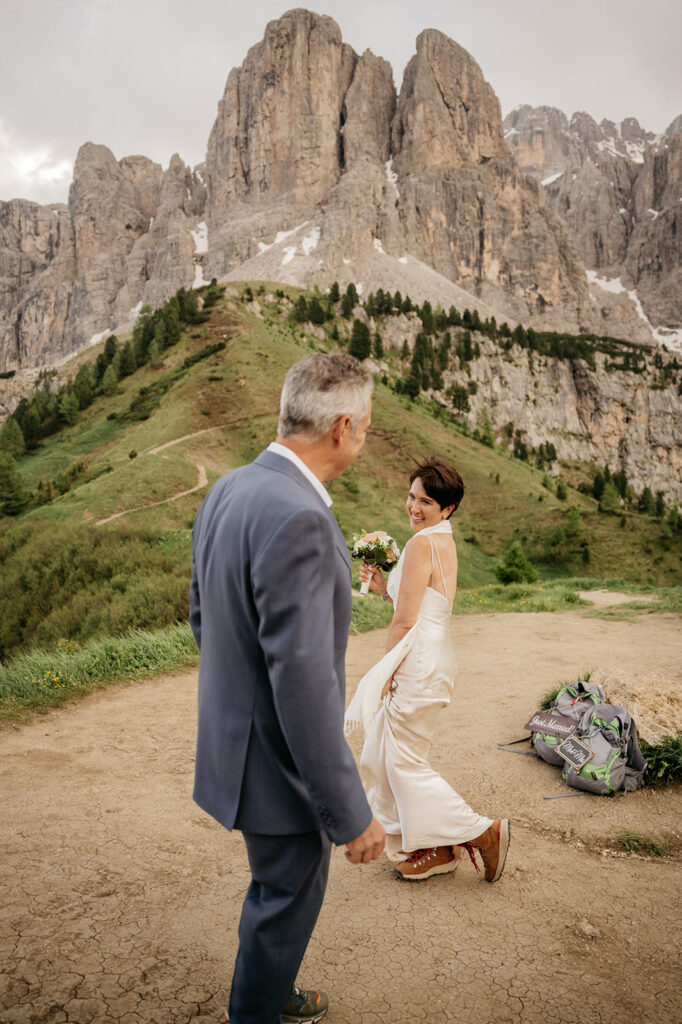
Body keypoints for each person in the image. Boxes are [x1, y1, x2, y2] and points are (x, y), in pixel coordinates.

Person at [190, 352, 386, 1024]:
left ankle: (274, 988)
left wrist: (237, 702)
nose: (363, 435)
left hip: (235, 746)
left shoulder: (230, 488)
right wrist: (350, 812)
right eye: (364, 425)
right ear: (341, 429)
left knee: (278, 893)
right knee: (283, 899)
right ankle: (255, 1011)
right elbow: (304, 688)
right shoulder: (301, 516)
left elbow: (201, 615)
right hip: (278, 765)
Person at [345, 456, 510, 883]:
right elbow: (415, 610)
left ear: (447, 509)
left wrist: (384, 673)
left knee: (401, 762)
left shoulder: (421, 544)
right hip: (431, 657)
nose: (414, 507)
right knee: (387, 754)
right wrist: (385, 589)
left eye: (426, 502)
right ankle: (434, 845)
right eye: (412, 497)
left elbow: (404, 622)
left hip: (417, 663)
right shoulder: (440, 541)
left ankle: (481, 832)